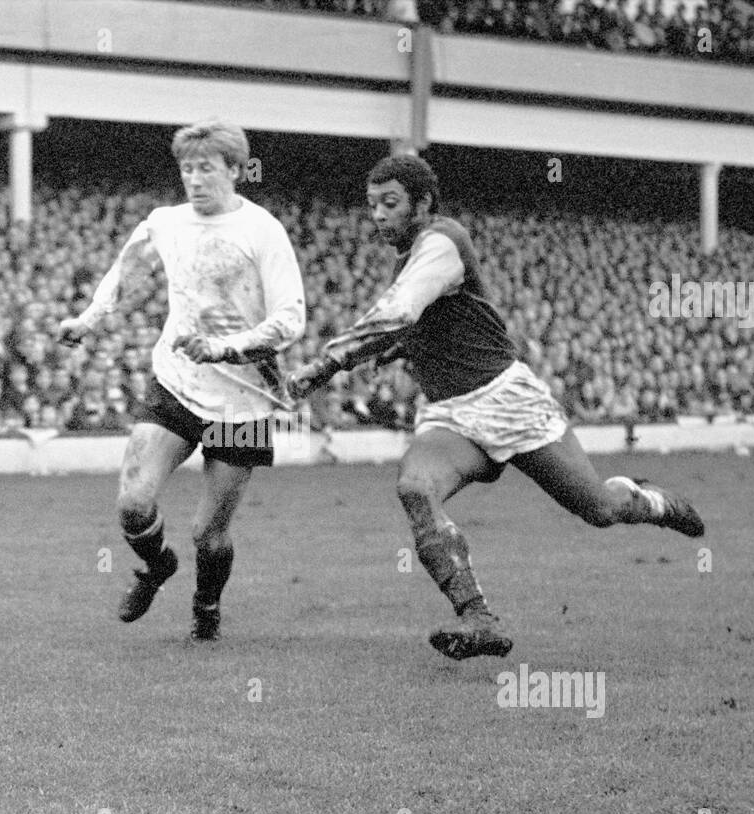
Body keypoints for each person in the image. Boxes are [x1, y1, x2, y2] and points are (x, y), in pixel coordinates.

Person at [287, 154, 704, 661]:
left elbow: (399, 310)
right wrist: (404, 349)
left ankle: (652, 502)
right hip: (451, 415)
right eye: (372, 204)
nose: (377, 214)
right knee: (417, 489)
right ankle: (477, 618)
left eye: (390, 203)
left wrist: (326, 364)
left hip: (508, 402)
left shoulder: (442, 239)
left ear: (423, 203)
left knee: (598, 509)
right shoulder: (413, 256)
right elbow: (429, 319)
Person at [58, 120, 306, 642]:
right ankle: (157, 567)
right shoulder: (166, 223)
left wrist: (224, 347)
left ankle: (207, 603)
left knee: (209, 533)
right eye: (187, 169)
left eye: (206, 169)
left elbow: (291, 319)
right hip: (176, 383)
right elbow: (125, 273)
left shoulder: (262, 231)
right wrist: (87, 320)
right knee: (133, 503)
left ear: (236, 171)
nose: (194, 179)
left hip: (244, 401)